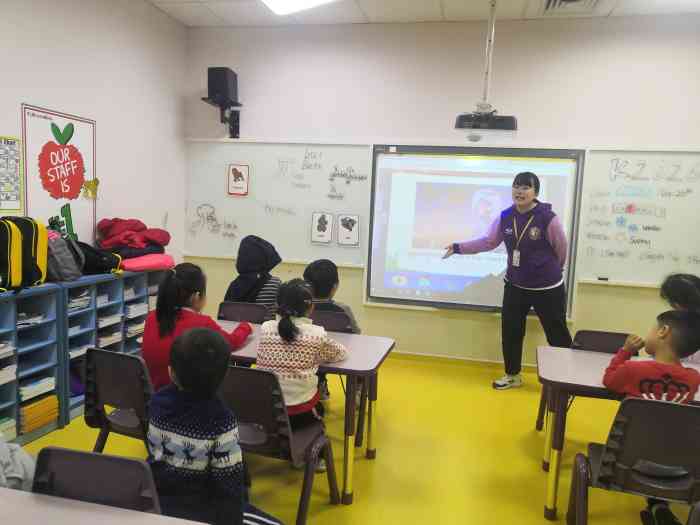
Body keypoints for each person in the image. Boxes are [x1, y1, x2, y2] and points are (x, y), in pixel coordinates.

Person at [444, 172, 572, 390]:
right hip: (515, 285)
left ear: (536, 193)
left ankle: (566, 379)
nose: (520, 192)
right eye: (516, 187)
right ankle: (512, 375)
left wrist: (552, 271)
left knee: (557, 333)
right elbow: (488, 242)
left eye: (526, 188)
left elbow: (561, 248)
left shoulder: (547, 218)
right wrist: (458, 248)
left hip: (548, 287)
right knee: (511, 332)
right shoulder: (505, 216)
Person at [147, 328, 281, 525]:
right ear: (225, 375)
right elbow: (229, 486)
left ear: (171, 372)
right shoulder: (222, 420)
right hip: (205, 511)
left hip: (159, 503)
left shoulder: (156, 403)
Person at [602, 310, 700, 525]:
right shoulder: (693, 379)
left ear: (663, 331)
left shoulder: (632, 369)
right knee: (661, 439)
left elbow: (609, 381)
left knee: (642, 440)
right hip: (674, 466)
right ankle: (658, 505)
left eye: (652, 328)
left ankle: (656, 505)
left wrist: (625, 351)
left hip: (627, 463)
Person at [257, 279, 348, 470]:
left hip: (267, 409)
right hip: (300, 409)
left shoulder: (265, 329)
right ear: (310, 307)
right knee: (318, 409)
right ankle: (315, 458)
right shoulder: (316, 334)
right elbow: (340, 354)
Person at [143, 263, 252, 391]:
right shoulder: (202, 324)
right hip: (186, 399)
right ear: (196, 296)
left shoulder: (151, 317)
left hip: (156, 398)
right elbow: (231, 342)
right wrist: (246, 327)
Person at [303, 259, 361, 400]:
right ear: (335, 287)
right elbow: (357, 334)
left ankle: (320, 384)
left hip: (307, 356)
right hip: (336, 355)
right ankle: (356, 392)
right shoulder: (343, 310)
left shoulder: (302, 308)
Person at [224, 235, 282, 321]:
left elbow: (225, 315)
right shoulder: (275, 284)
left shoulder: (234, 285)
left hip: (237, 331)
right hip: (265, 333)